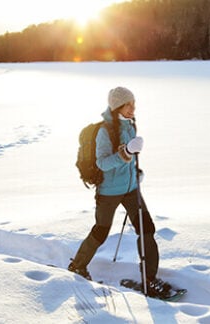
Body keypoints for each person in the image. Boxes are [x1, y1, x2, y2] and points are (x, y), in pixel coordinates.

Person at [68, 86, 171, 298]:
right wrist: (126, 152)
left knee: (147, 228)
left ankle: (149, 279)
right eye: (128, 105)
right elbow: (103, 163)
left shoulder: (130, 125)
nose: (133, 108)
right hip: (109, 191)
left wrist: (135, 172)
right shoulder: (106, 131)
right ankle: (77, 265)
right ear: (117, 107)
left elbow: (129, 158)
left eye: (134, 104)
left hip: (131, 189)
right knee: (101, 231)